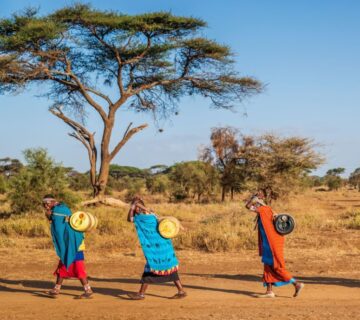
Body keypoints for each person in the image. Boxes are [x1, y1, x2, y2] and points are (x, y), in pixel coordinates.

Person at [127, 197, 187, 300]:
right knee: (168, 267)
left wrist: (133, 207)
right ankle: (181, 290)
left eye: (135, 207)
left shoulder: (142, 218)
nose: (134, 209)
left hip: (156, 249)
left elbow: (129, 219)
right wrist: (137, 205)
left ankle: (141, 294)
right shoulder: (152, 214)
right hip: (164, 246)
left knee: (151, 266)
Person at [245, 194, 304, 298]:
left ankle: (296, 284)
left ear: (258, 203)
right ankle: (269, 291)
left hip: (272, 244)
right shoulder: (266, 211)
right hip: (268, 244)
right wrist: (254, 198)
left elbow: (248, 206)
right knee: (268, 266)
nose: (255, 205)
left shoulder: (264, 209)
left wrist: (252, 200)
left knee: (277, 267)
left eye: (256, 203)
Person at [42, 194, 93, 299]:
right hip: (69, 243)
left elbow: (56, 224)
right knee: (62, 266)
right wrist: (49, 214)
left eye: (46, 204)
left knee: (78, 268)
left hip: (74, 244)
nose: (46, 206)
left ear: (52, 201)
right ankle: (56, 289)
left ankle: (88, 290)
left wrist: (49, 214)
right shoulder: (60, 208)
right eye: (44, 204)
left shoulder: (58, 210)